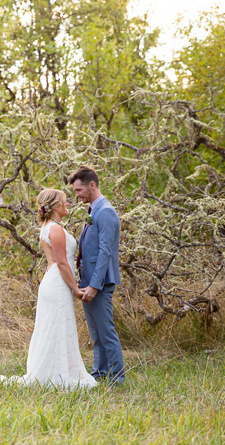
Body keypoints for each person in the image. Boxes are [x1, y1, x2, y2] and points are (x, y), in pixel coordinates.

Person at [0, 188, 97, 389]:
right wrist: (75, 289)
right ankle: (55, 375)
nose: (68, 204)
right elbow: (62, 263)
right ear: (55, 206)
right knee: (56, 326)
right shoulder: (55, 229)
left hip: (53, 281)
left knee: (55, 326)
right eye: (64, 201)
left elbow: (54, 263)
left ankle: (55, 370)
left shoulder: (48, 227)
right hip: (58, 283)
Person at [68, 165, 125, 385]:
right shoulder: (94, 210)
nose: (77, 195)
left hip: (98, 282)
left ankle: (117, 378)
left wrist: (94, 285)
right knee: (96, 334)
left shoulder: (106, 212)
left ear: (92, 185)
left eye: (79, 190)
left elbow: (105, 252)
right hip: (88, 280)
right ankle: (99, 374)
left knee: (106, 331)